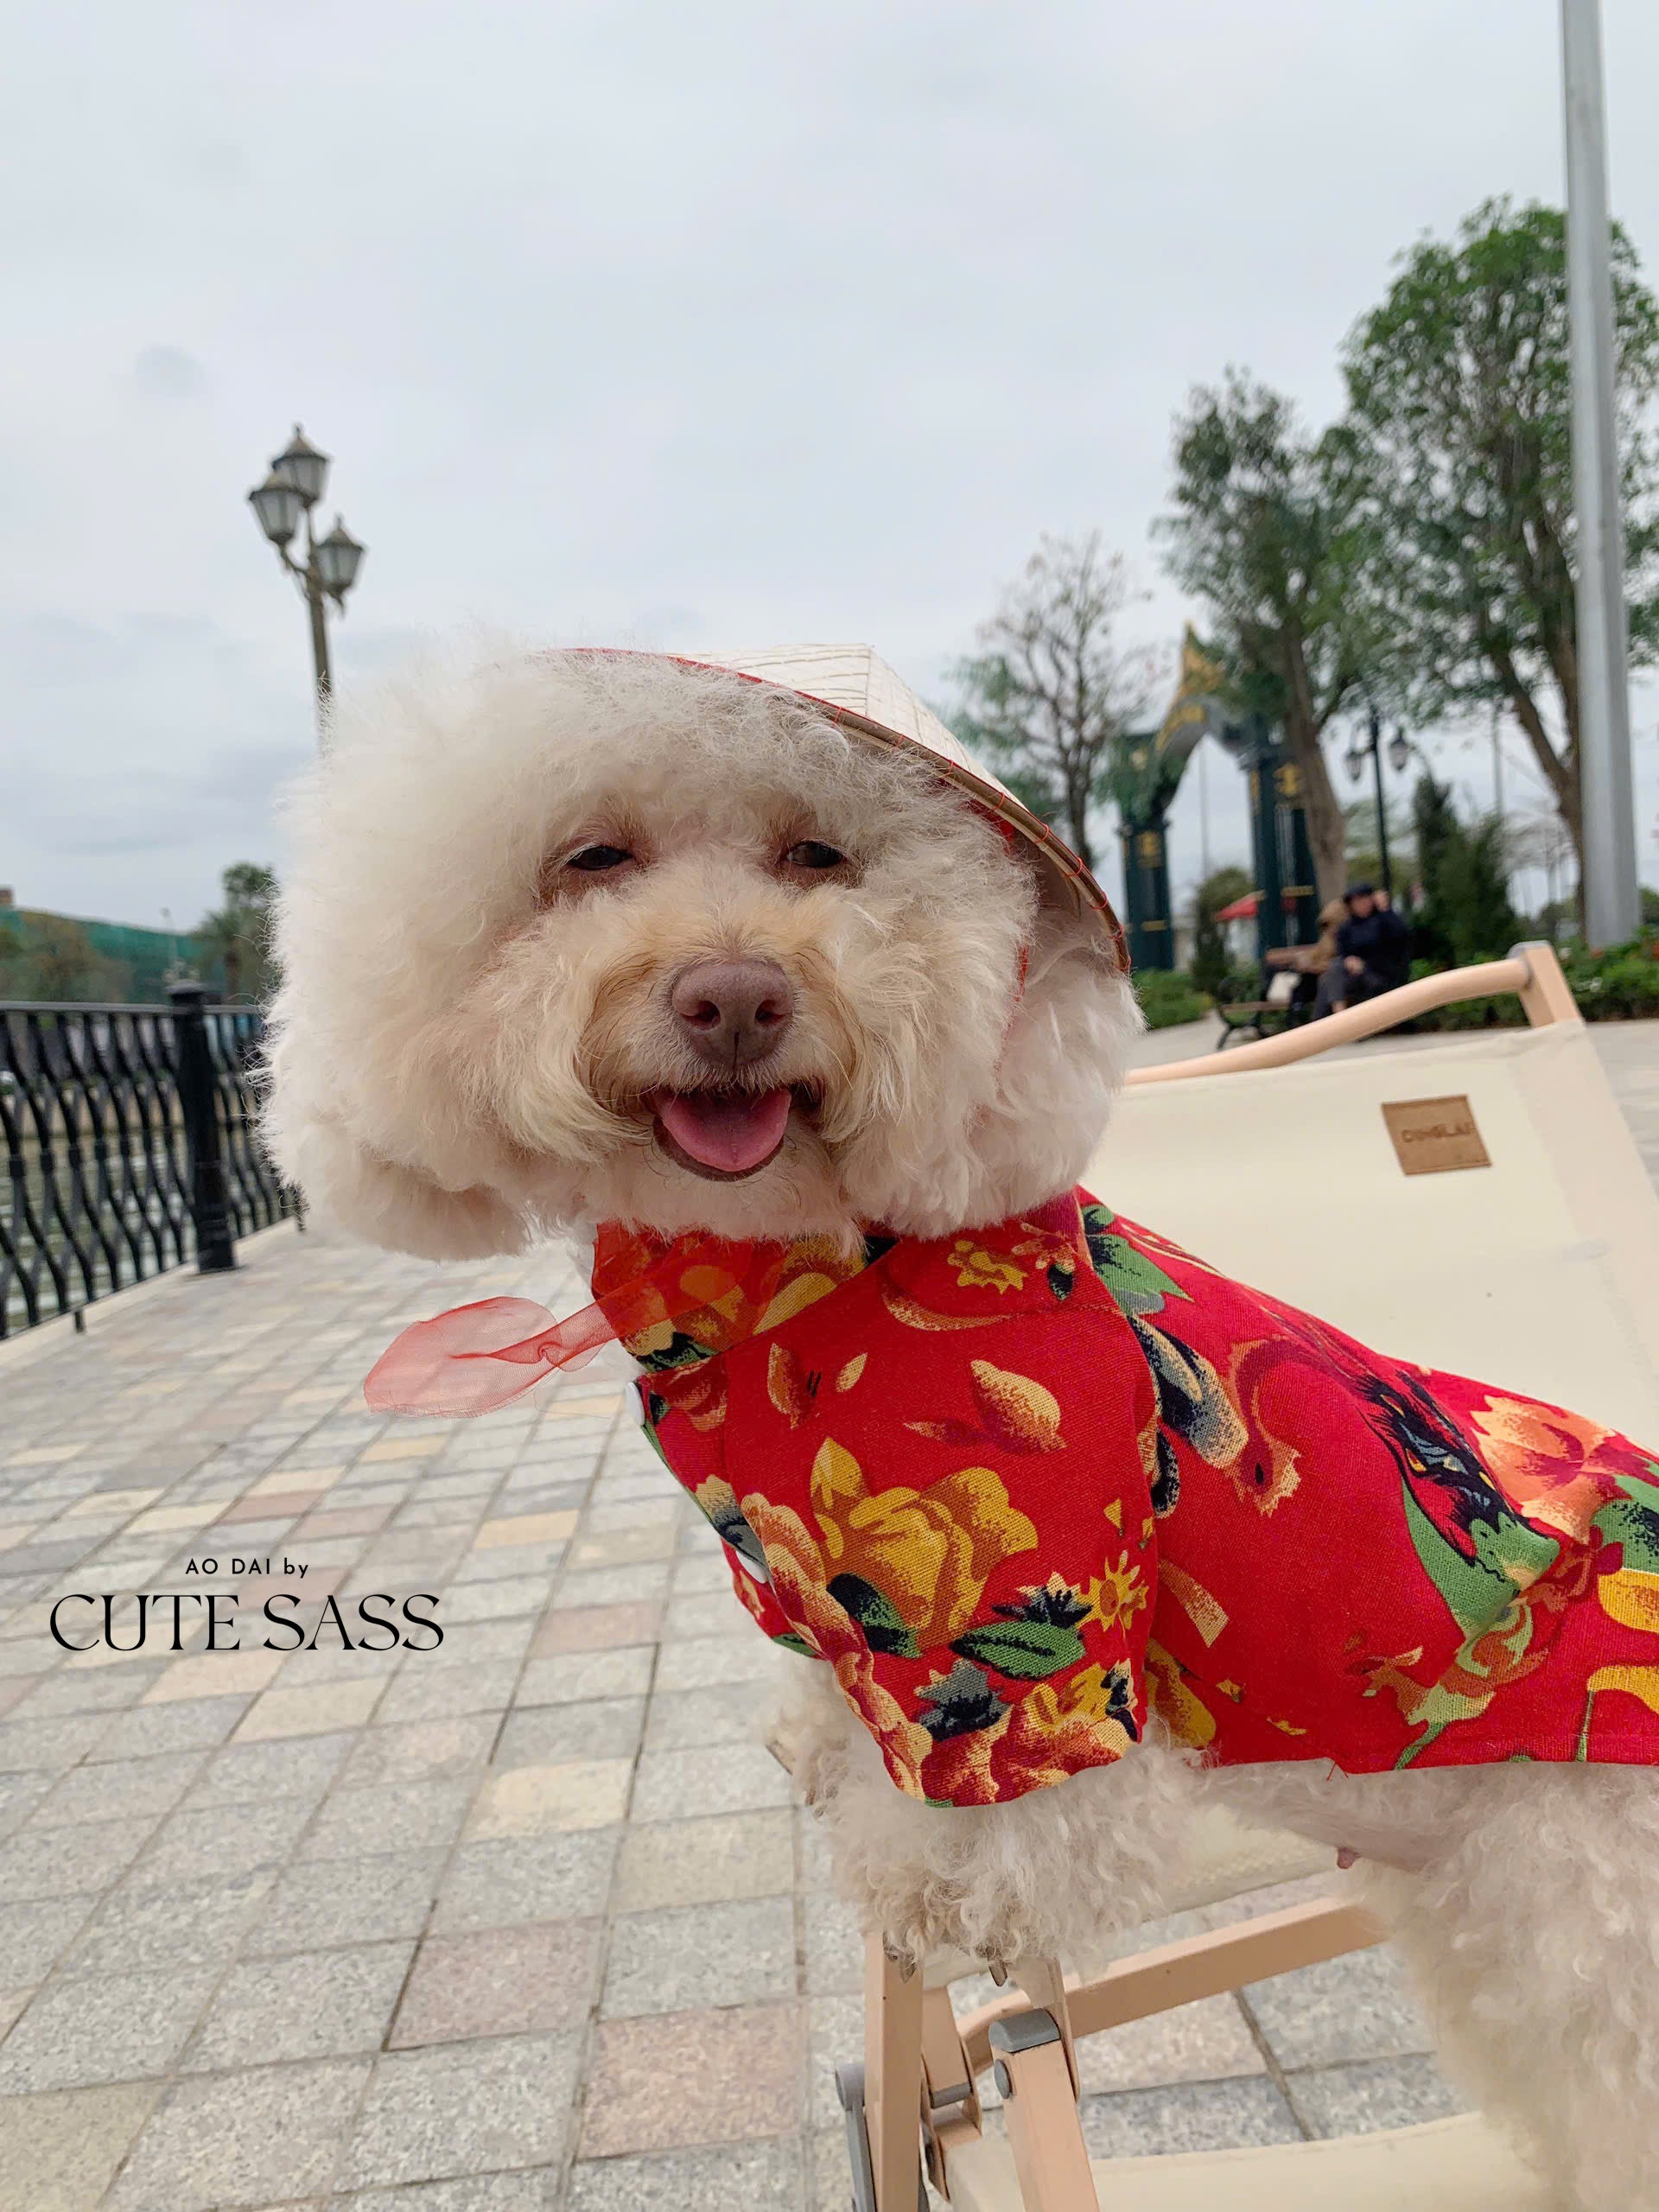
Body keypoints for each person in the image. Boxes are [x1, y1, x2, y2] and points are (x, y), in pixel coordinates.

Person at [1313, 883, 1410, 1017]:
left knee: (1332, 974)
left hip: (1381, 975)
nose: (1360, 905)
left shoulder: (1384, 920)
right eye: (1356, 902)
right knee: (1330, 977)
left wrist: (1384, 909)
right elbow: (1343, 952)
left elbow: (1401, 936)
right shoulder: (1347, 927)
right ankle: (1334, 1018)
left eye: (1363, 900)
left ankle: (1335, 1020)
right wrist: (1350, 961)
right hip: (1356, 975)